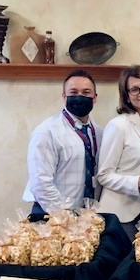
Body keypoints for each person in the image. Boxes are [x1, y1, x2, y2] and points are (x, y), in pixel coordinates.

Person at [96, 65, 140, 238]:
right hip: (122, 215)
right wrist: (137, 182)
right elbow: (104, 175)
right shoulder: (118, 126)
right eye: (134, 89)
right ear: (127, 97)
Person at [23, 69, 102, 215]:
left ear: (95, 98)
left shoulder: (99, 132)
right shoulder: (47, 132)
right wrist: (64, 217)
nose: (79, 97)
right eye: (73, 93)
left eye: (86, 93)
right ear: (64, 97)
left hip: (87, 216)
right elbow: (41, 183)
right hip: (52, 216)